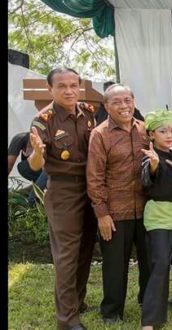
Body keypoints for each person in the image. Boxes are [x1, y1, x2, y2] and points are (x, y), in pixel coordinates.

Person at [28, 67, 97, 330]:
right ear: (50, 90)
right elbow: (36, 164)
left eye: (73, 85)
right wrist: (36, 152)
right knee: (67, 255)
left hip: (90, 188)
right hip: (64, 191)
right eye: (62, 86)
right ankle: (67, 320)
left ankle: (77, 302)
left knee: (85, 250)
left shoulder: (89, 113)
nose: (69, 91)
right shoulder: (43, 120)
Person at [86, 84, 150, 324]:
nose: (124, 106)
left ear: (134, 101)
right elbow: (94, 178)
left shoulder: (145, 130)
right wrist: (102, 214)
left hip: (147, 209)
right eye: (117, 102)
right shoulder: (100, 134)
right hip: (114, 212)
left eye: (127, 100)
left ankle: (149, 300)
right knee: (115, 266)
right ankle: (112, 311)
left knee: (150, 261)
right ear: (106, 106)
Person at [139, 109, 172, 330]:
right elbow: (146, 180)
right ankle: (150, 321)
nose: (169, 135)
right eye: (163, 131)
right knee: (160, 263)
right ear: (152, 134)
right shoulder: (149, 155)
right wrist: (153, 166)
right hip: (158, 215)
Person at [8, 131, 48, 205]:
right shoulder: (21, 138)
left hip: (52, 173)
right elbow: (9, 164)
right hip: (44, 174)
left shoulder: (45, 141)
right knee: (22, 167)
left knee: (32, 200)